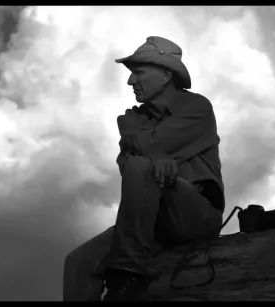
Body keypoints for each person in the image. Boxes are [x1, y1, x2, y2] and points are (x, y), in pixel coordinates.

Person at [63, 36, 225, 301]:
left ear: (164, 75)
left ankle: (128, 271)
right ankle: (128, 266)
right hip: (150, 223)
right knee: (78, 262)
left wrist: (137, 142)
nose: (130, 81)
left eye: (138, 73)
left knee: (141, 164)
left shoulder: (197, 107)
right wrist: (151, 155)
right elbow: (126, 167)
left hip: (197, 216)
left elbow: (145, 148)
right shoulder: (135, 117)